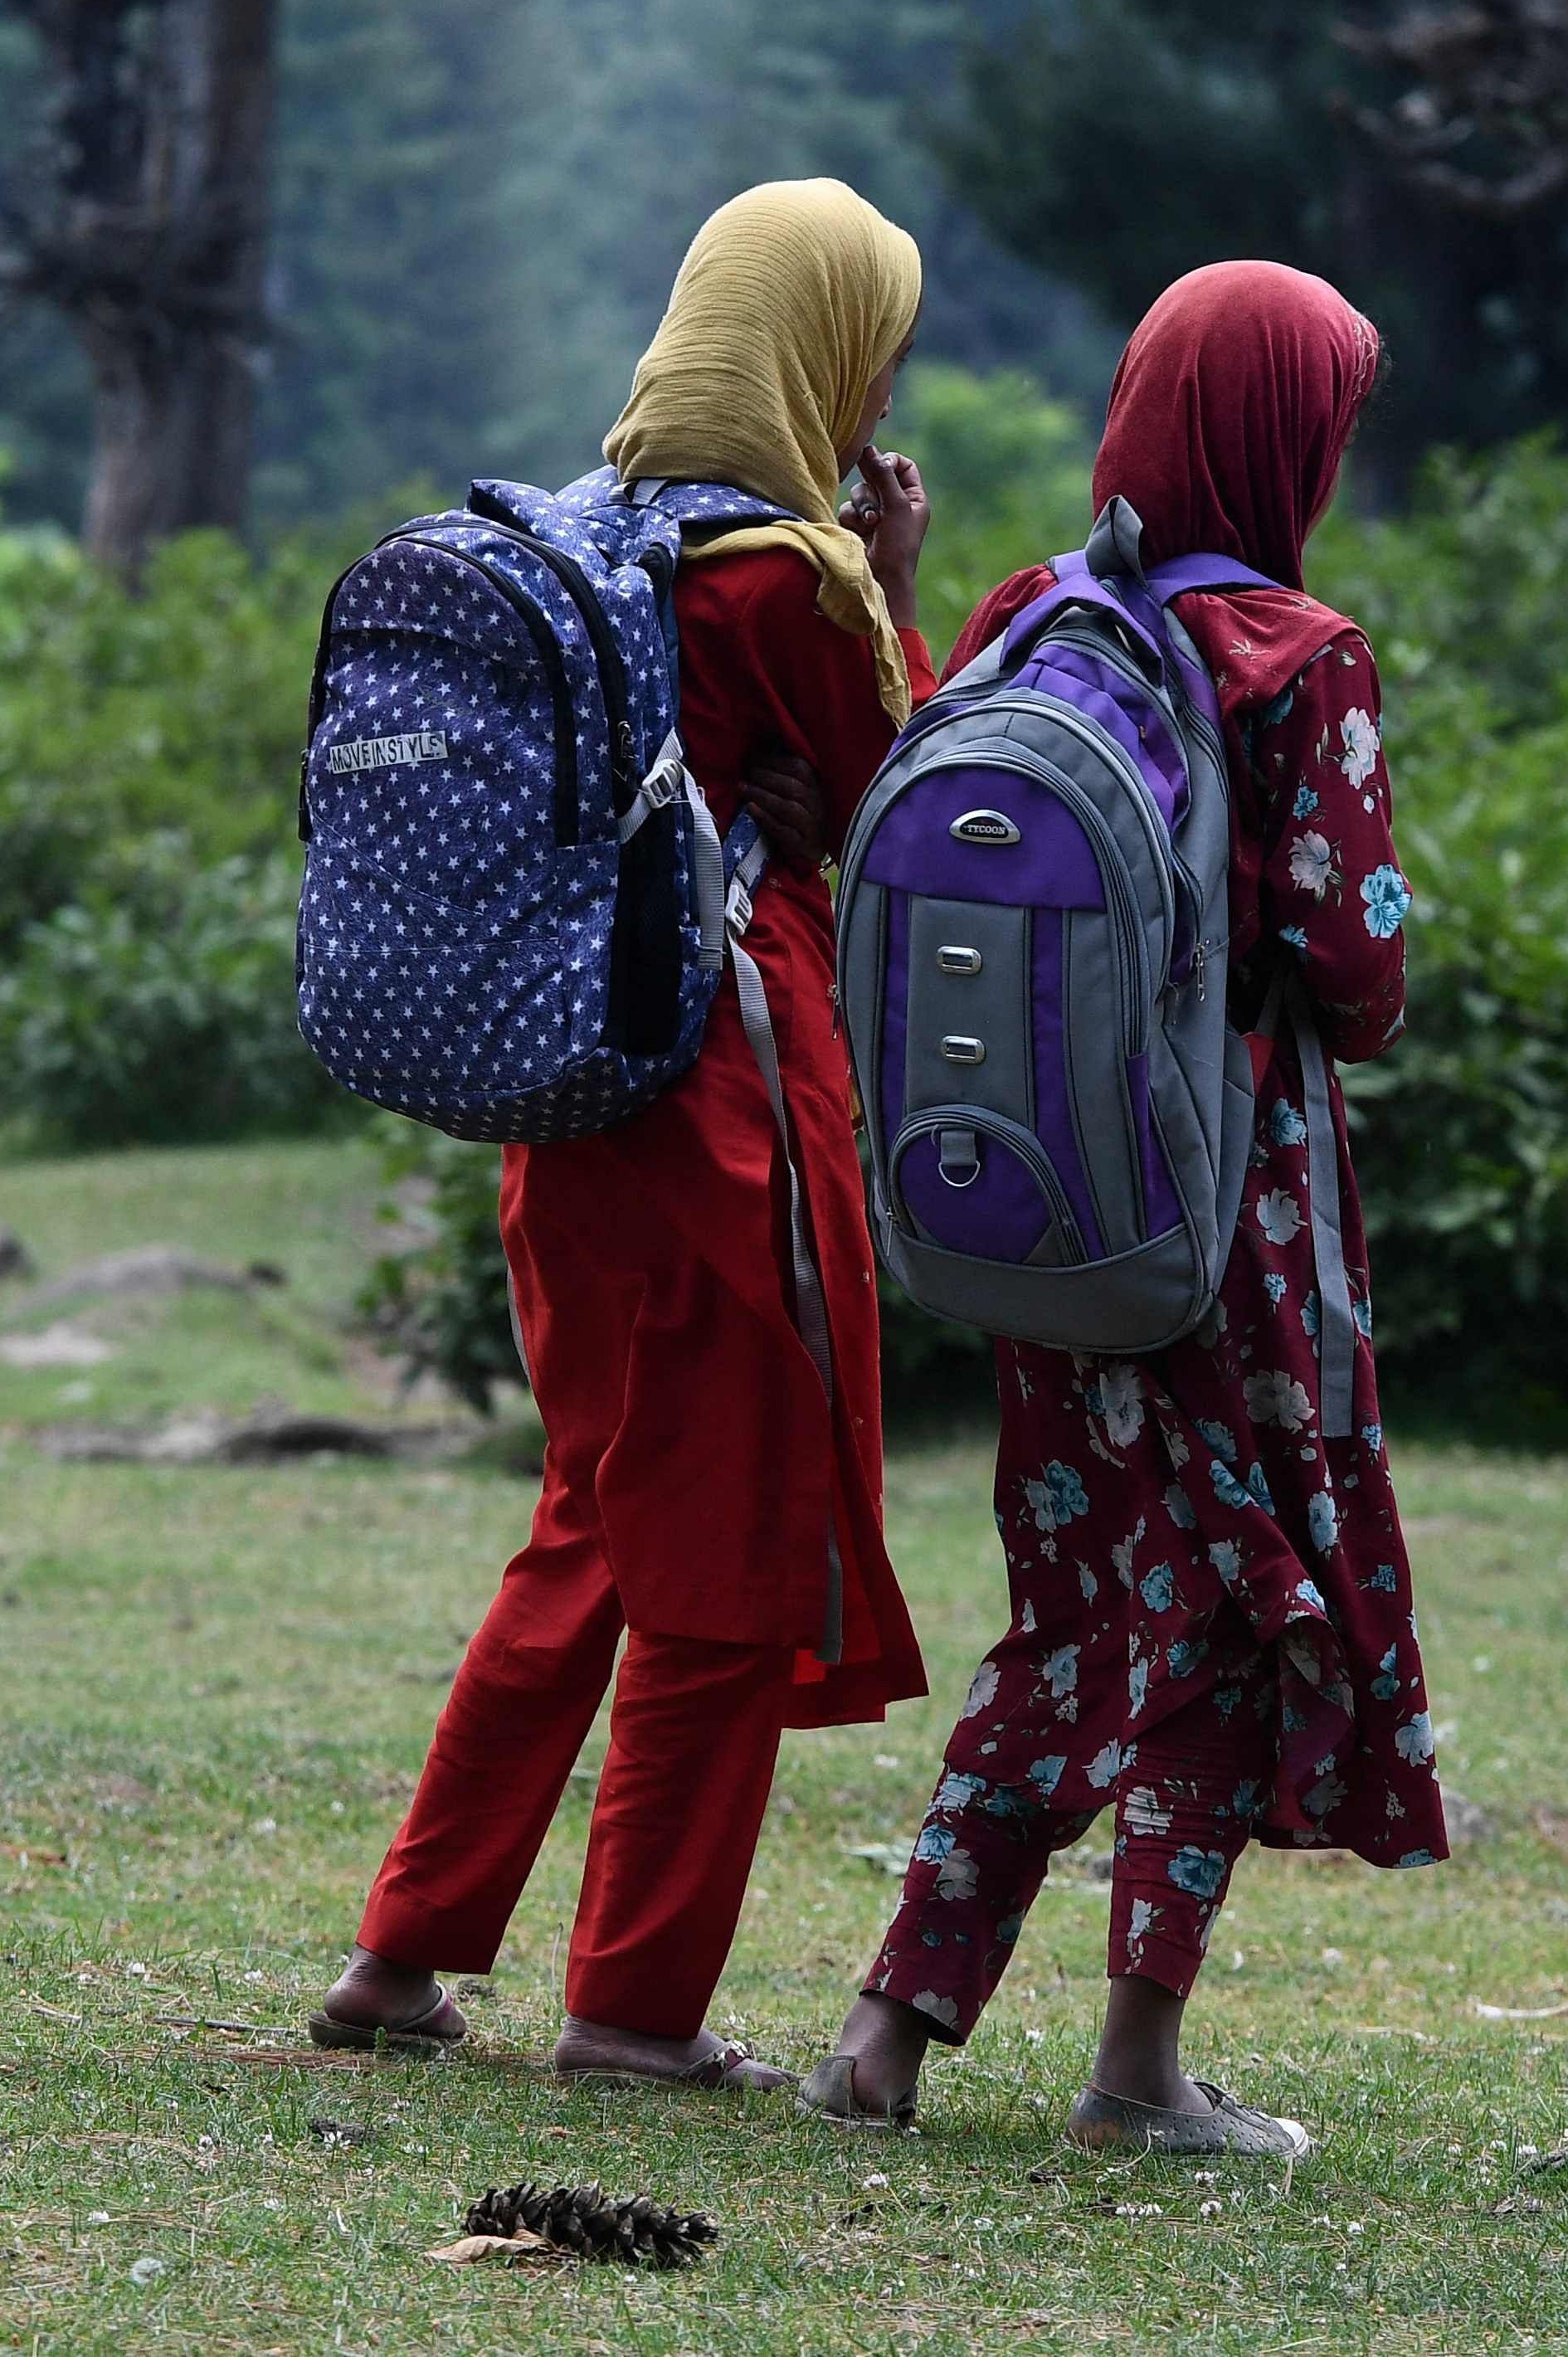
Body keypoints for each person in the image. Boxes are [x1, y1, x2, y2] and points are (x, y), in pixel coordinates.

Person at [801, 259, 1449, 2157]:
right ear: (1280, 432)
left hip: (1046, 1214)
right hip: (1226, 1238)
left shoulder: (1032, 615)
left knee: (1072, 1620)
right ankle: (1134, 2073)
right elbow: (1358, 973)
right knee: (1246, 1621)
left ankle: (884, 2033)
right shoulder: (1292, 655)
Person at [310, 178, 939, 2088]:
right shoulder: (785, 575)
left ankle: (406, 1955)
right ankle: (633, 2013)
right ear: (818, 350)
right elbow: (894, 811)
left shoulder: (583, 540)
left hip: (574, 1104)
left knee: (588, 1526)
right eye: (871, 352)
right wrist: (891, 582)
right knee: (728, 1559)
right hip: (731, 1109)